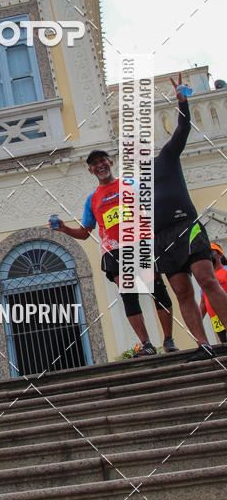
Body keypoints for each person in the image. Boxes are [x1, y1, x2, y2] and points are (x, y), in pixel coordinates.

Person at [51, 151, 175, 357]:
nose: (100, 165)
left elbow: (153, 208)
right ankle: (146, 344)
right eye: (94, 164)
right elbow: (84, 232)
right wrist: (65, 229)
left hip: (139, 244)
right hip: (114, 250)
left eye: (102, 161)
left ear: (110, 162)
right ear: (91, 170)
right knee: (129, 297)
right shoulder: (92, 199)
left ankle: (168, 340)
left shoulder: (131, 185)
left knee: (158, 291)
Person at [154, 76, 227, 361]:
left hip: (186, 226)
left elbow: (183, 129)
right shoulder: (134, 183)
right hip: (162, 239)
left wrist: (182, 103)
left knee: (207, 279)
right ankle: (202, 344)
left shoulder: (167, 156)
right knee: (182, 291)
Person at [199, 243, 227, 345]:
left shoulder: (225, 270)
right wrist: (197, 320)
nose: (209, 254)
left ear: (220, 254)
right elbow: (203, 301)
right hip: (215, 318)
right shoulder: (204, 277)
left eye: (212, 251)